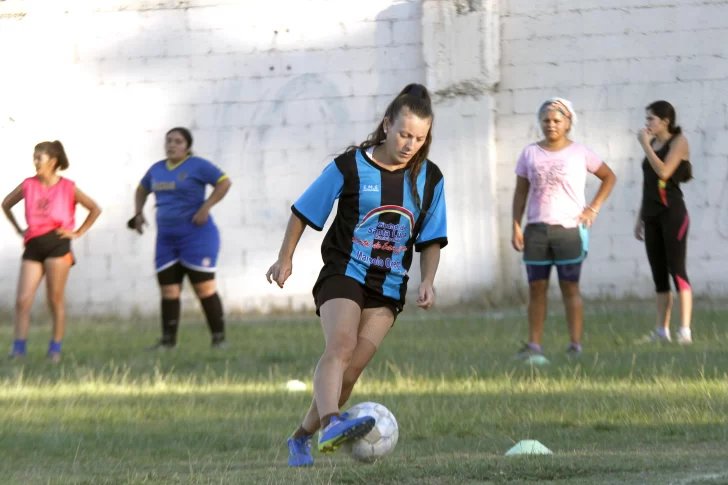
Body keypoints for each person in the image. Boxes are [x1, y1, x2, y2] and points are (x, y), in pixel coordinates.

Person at [266, 83, 448, 467]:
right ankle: (332, 422)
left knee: (350, 374)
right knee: (341, 346)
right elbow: (303, 211)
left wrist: (428, 279)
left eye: (419, 138)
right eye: (403, 133)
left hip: (389, 286)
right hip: (343, 272)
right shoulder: (350, 166)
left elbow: (431, 238)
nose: (409, 144)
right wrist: (285, 258)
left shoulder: (430, 179)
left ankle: (300, 438)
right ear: (387, 125)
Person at [511, 98, 616, 359]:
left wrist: (593, 208)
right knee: (537, 287)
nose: (551, 125)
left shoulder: (580, 152)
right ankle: (534, 346)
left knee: (570, 287)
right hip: (536, 230)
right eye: (546, 120)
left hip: (569, 230)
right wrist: (515, 225)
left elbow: (608, 176)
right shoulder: (530, 153)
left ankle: (575, 345)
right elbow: (520, 193)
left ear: (568, 123)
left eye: (557, 120)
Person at [129, 127, 232, 350]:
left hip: (197, 237)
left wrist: (206, 207)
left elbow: (224, 182)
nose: (172, 145)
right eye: (169, 141)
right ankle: (168, 342)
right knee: (169, 290)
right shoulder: (157, 169)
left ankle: (218, 339)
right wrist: (138, 213)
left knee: (204, 288)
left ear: (187, 146)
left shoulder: (198, 165)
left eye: (178, 141)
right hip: (166, 239)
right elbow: (141, 189)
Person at [1, 140, 102, 362]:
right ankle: (18, 351)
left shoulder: (68, 187)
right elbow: (6, 203)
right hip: (34, 245)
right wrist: (19, 229)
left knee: (54, 299)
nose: (35, 162)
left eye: (40, 157)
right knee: (22, 300)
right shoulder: (28, 184)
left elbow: (94, 209)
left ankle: (54, 350)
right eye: (34, 157)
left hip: (57, 245)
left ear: (53, 161)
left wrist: (77, 233)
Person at [634, 101, 693, 344]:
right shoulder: (652, 145)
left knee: (676, 270)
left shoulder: (678, 142)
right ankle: (661, 332)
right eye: (646, 119)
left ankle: (685, 331)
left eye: (651, 119)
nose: (647, 124)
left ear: (665, 121)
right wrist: (640, 217)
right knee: (659, 274)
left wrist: (645, 146)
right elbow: (648, 183)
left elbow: (664, 173)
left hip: (673, 214)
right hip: (652, 215)